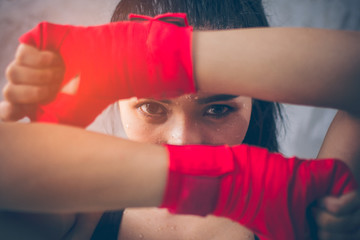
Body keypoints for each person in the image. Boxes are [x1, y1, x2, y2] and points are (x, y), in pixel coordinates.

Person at [0, 0, 359, 240]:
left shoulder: (311, 210)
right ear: (115, 97)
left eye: (218, 109)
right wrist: (234, 187)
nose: (183, 141)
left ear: (256, 100)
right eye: (152, 108)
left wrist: (162, 56)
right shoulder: (81, 212)